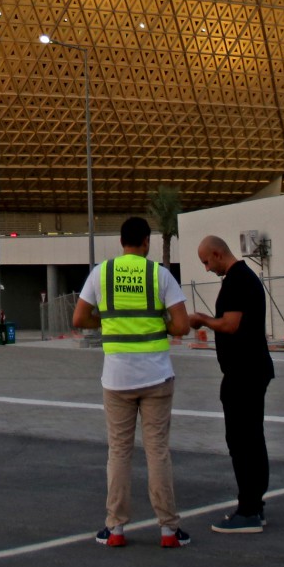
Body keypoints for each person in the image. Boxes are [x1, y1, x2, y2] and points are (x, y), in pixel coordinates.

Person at [71, 216, 192, 549]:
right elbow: (181, 326)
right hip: (156, 375)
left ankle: (116, 528)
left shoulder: (102, 273)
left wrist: (108, 323)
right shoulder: (159, 274)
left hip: (117, 378)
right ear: (147, 242)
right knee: (157, 453)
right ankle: (168, 529)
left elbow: (79, 318)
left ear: (121, 242)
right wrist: (160, 323)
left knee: (119, 453)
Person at [189, 235, 274, 534]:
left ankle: (249, 510)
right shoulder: (243, 277)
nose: (207, 268)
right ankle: (254, 505)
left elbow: (231, 324)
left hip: (244, 373)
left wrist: (202, 319)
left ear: (216, 253)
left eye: (206, 262)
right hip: (249, 370)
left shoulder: (238, 279)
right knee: (251, 438)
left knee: (242, 441)